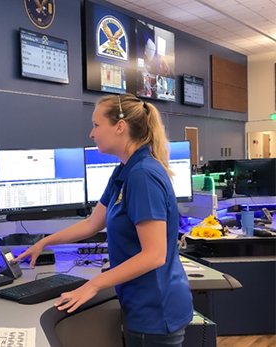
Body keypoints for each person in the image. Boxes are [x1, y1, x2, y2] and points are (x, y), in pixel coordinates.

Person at [15, 93, 193, 347]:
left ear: (120, 126)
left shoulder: (142, 175)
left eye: (97, 125)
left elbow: (155, 255)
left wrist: (93, 285)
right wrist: (45, 242)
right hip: (143, 303)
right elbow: (91, 224)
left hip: (155, 309)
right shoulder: (124, 170)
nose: (91, 133)